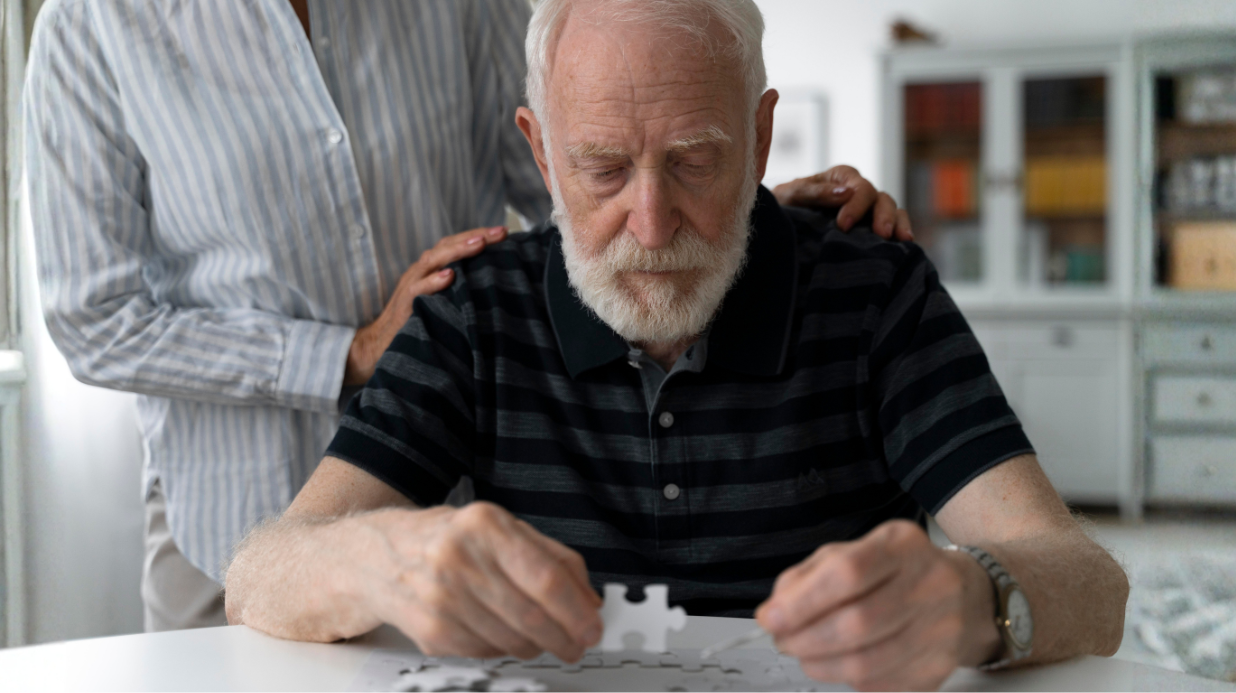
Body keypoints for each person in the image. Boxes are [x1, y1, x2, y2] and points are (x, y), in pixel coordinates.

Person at [224, 1, 1129, 689]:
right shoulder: (475, 312)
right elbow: (259, 576)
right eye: (603, 169)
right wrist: (385, 560)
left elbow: (1093, 583)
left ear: (761, 138)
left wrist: (975, 599)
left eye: (697, 161)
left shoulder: (874, 291)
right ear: (540, 156)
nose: (651, 228)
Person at [23, 0, 906, 633]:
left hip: (447, 480)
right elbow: (95, 318)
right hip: (227, 507)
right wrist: (347, 354)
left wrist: (723, 214)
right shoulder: (90, 26)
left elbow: (572, 169)